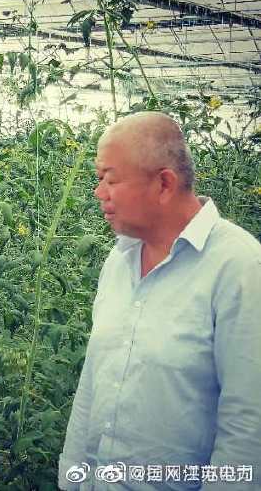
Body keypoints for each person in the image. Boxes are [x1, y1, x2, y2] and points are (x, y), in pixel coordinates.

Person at [58, 112, 261, 490]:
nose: (99, 193)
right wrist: (72, 478)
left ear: (164, 183)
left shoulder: (239, 267)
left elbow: (248, 425)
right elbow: (93, 381)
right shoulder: (119, 260)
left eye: (110, 180)